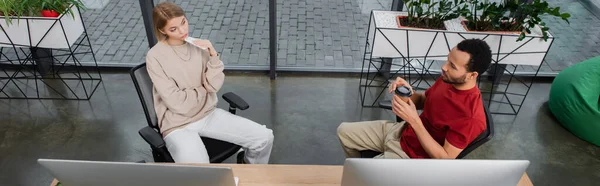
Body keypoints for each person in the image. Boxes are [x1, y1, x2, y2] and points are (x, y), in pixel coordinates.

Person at [145, 2, 274, 163]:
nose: (183, 31)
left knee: (264, 138)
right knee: (202, 171)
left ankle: (250, 173)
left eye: (183, 22)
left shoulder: (198, 47)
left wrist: (213, 55)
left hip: (208, 114)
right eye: (173, 29)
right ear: (162, 30)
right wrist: (204, 90)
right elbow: (177, 103)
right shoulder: (154, 56)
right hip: (178, 125)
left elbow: (213, 86)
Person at [338, 39, 492, 159]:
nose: (444, 67)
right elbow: (424, 100)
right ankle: (363, 172)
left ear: (472, 75)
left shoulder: (471, 117)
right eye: (447, 60)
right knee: (343, 132)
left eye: (452, 66)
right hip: (402, 132)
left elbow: (444, 158)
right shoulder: (448, 79)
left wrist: (414, 121)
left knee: (366, 175)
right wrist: (407, 92)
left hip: (412, 156)